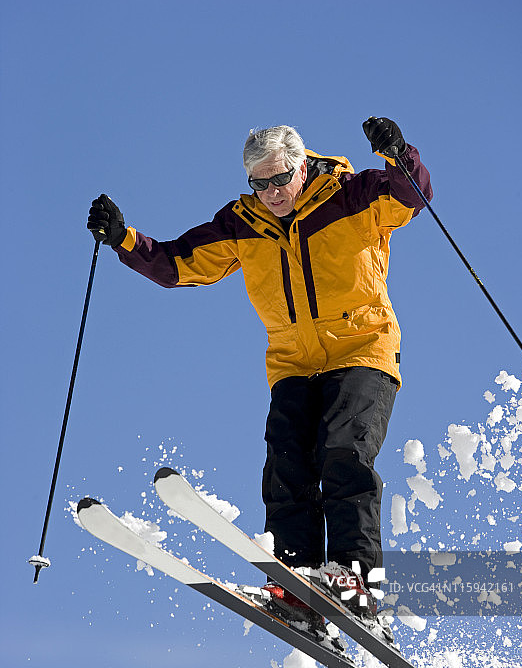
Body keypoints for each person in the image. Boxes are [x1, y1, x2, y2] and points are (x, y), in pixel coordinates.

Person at [88, 117, 432, 630]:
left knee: (344, 454)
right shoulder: (243, 223)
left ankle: (356, 588)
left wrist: (398, 152)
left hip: (362, 350)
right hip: (293, 363)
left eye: (279, 179)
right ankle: (298, 582)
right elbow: (179, 264)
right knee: (286, 463)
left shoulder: (353, 195)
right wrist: (123, 238)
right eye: (259, 183)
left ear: (301, 165)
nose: (271, 192)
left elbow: (412, 197)